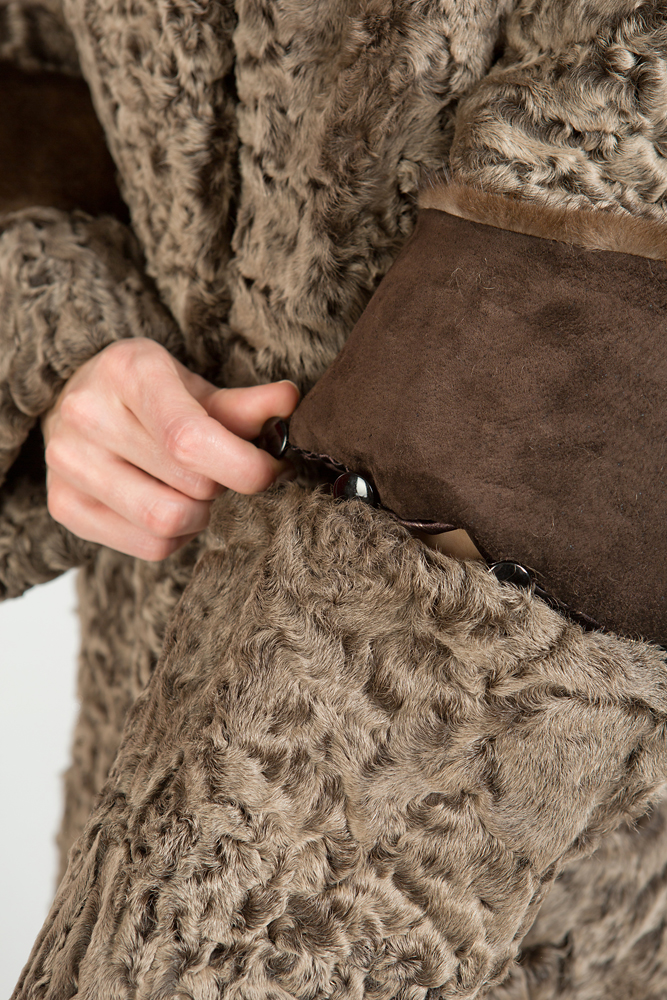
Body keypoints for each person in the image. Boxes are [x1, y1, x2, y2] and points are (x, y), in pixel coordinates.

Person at [3, 0, 667, 995]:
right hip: (148, 690)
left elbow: (610, 264)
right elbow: (31, 70)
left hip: (489, 844)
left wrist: (187, 958)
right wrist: (62, 335)